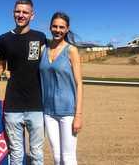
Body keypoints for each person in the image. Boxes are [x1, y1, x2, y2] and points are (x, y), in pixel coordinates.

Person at [0, 0, 46, 165]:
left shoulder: (40, 37)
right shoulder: (4, 39)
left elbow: (47, 66)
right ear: (13, 14)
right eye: (18, 11)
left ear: (32, 15)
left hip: (36, 105)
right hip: (12, 106)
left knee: (37, 153)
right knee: (16, 153)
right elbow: (0, 66)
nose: (21, 15)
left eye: (25, 12)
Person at [39, 12, 83, 165]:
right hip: (48, 112)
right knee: (57, 157)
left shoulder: (71, 50)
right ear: (50, 27)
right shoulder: (43, 49)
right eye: (55, 26)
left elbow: (79, 84)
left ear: (67, 29)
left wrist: (78, 115)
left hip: (67, 112)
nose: (57, 30)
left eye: (61, 27)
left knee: (68, 158)